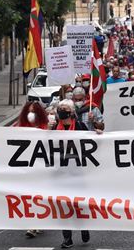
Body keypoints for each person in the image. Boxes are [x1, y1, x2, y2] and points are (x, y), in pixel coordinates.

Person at [51, 99, 100, 248]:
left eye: (64, 108)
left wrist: (97, 132)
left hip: (78, 174)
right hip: (60, 174)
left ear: (71, 112)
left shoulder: (80, 126)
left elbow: (92, 141)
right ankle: (67, 238)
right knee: (63, 206)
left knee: (79, 204)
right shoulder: (53, 129)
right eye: (60, 108)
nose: (61, 111)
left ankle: (84, 228)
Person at [13, 101, 49, 238]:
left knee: (39, 195)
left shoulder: (45, 127)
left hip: (41, 168)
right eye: (28, 111)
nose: (30, 115)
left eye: (33, 112)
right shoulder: (19, 127)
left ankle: (39, 221)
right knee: (28, 196)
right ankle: (32, 224)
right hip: (25, 169)